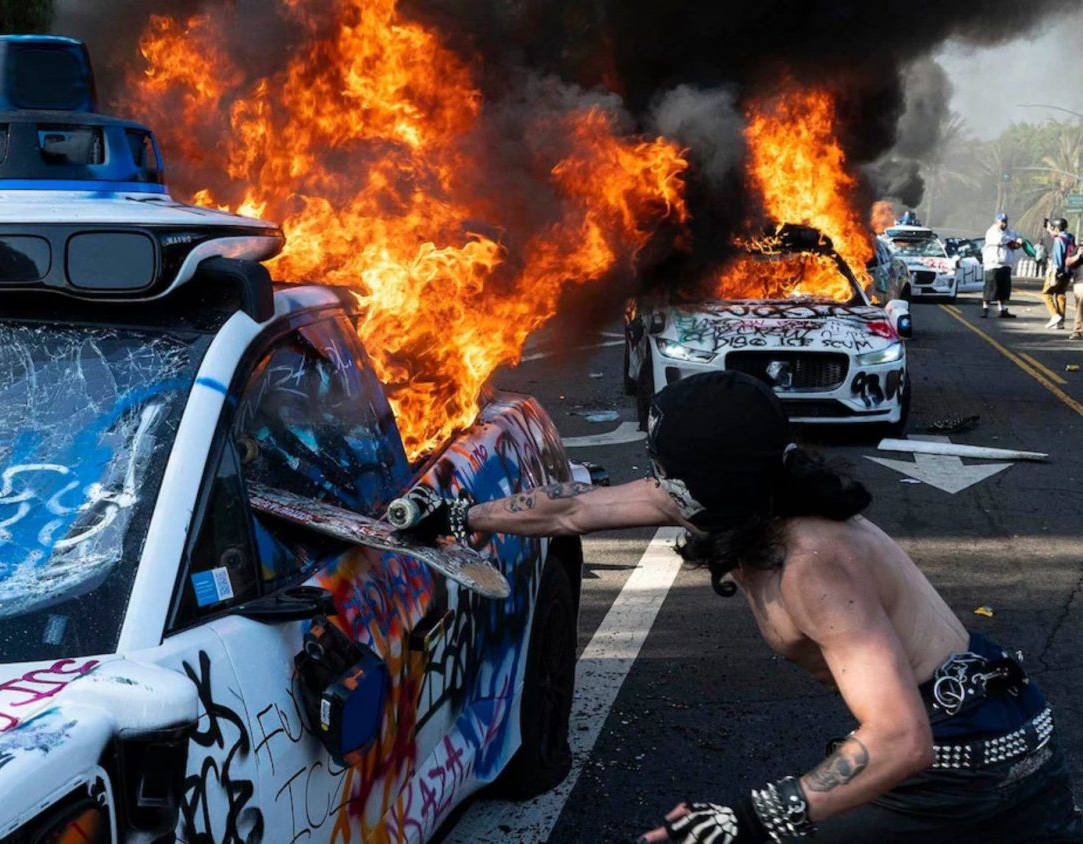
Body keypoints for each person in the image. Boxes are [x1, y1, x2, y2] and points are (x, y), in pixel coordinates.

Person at [403, 371, 1083, 843]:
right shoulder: (723, 493)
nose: (658, 485)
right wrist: (458, 516)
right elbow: (571, 509)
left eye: (669, 472)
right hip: (973, 729)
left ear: (712, 487)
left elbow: (902, 740)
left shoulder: (813, 566)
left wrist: (752, 819)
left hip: (969, 769)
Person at [981, 212, 1022, 318]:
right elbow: (1001, 240)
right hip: (993, 264)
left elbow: (1018, 238)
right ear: (997, 221)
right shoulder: (992, 231)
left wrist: (1019, 240)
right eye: (1002, 221)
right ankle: (985, 309)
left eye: (1006, 221)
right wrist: (1014, 242)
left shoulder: (1010, 232)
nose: (1004, 224)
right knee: (990, 288)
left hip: (1006, 264)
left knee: (1004, 289)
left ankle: (1003, 310)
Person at [1043, 218, 1075, 330]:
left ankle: (1054, 316)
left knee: (1046, 294)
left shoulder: (1058, 241)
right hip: (1068, 272)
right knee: (1061, 294)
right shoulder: (1070, 237)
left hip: (1058, 270)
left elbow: (1057, 260)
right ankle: (1061, 322)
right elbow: (1056, 235)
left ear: (1056, 228)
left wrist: (1053, 276)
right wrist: (1048, 229)